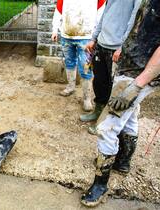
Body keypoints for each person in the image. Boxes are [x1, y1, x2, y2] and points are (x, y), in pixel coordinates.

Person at [80, 0, 160, 206]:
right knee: (130, 115)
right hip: (131, 64)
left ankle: (100, 183)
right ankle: (123, 162)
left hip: (139, 74)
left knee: (107, 126)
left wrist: (137, 85)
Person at [79, 0, 142, 132]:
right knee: (99, 82)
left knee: (114, 87)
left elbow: (134, 20)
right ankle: (98, 111)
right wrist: (94, 38)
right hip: (102, 43)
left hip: (117, 48)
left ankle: (105, 122)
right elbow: (104, 15)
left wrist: (123, 46)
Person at [51, 0, 106, 111]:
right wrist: (54, 30)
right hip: (66, 36)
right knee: (69, 62)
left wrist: (95, 37)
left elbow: (101, 15)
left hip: (86, 38)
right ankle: (71, 87)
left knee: (86, 67)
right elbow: (58, 11)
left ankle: (87, 98)